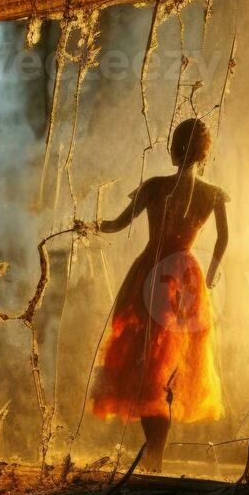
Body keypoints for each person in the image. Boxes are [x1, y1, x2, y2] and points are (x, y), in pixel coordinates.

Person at [81, 117, 227, 473]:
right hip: (186, 276)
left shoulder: (156, 187)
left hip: (153, 272)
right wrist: (208, 276)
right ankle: (155, 454)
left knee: (153, 363)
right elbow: (223, 239)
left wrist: (88, 225)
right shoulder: (213, 194)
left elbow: (118, 224)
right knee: (167, 365)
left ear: (174, 149)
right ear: (204, 153)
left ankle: (154, 455)